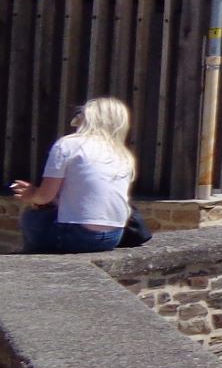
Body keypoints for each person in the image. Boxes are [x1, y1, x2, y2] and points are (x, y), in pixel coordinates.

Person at [9, 97, 136, 253]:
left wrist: (31, 194)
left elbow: (44, 197)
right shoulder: (122, 154)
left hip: (79, 235)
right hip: (114, 236)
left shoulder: (68, 144)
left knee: (31, 218)